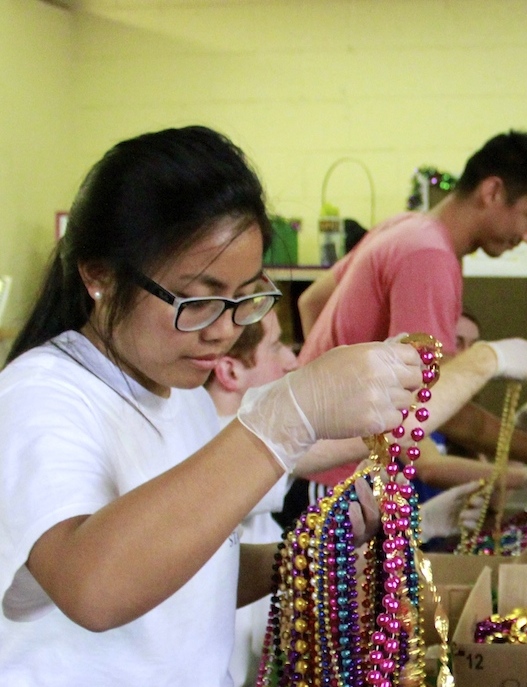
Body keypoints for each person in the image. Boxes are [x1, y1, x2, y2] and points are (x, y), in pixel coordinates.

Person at [0, 126, 436, 685]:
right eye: (198, 300)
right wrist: (282, 422)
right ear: (99, 274)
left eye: (243, 299)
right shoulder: (41, 396)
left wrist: (314, 546)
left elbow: (191, 577)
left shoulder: (183, 398)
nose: (226, 330)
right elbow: (96, 589)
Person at [298, 130, 527, 508]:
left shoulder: (403, 227)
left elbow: (312, 301)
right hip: (337, 483)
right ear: (492, 191)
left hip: (316, 470)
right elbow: (434, 403)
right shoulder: (429, 257)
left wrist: (325, 393)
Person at [204, 311, 486, 686]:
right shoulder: (223, 447)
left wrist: (341, 545)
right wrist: (487, 360)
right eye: (275, 347)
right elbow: (399, 426)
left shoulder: (244, 461)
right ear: (230, 371)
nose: (292, 361)